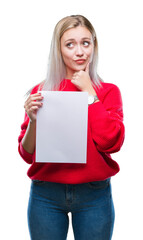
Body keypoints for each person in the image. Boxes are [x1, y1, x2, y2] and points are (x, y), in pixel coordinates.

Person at [18, 15, 125, 240]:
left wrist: (90, 95)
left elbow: (111, 143)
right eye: (70, 44)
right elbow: (27, 154)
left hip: (94, 194)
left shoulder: (107, 91)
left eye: (85, 43)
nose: (79, 52)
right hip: (46, 194)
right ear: (58, 49)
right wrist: (33, 119)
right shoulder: (42, 90)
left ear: (94, 46)